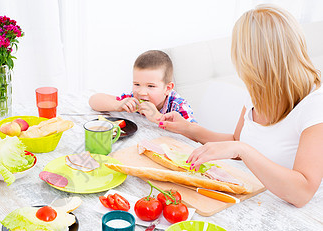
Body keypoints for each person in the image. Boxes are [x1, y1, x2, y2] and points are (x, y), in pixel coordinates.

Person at [158, 5, 323, 207]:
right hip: (255, 198)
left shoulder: (315, 106)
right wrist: (188, 128)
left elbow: (302, 193)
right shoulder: (259, 89)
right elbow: (237, 140)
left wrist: (242, 149)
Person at [89, 50, 196, 123]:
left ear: (167, 89)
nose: (141, 92)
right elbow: (94, 100)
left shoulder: (178, 106)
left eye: (151, 86)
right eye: (137, 84)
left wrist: (158, 117)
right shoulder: (134, 99)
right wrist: (118, 105)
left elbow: (194, 134)